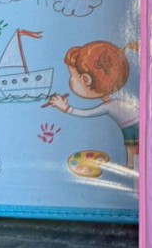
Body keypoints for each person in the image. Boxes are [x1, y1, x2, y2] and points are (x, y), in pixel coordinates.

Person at [46, 40, 139, 170]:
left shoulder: (110, 106)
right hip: (131, 126)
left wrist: (65, 108)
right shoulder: (114, 101)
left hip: (134, 127)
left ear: (86, 79)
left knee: (134, 151)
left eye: (72, 77)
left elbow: (87, 113)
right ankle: (132, 170)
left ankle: (133, 171)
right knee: (133, 150)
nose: (70, 81)